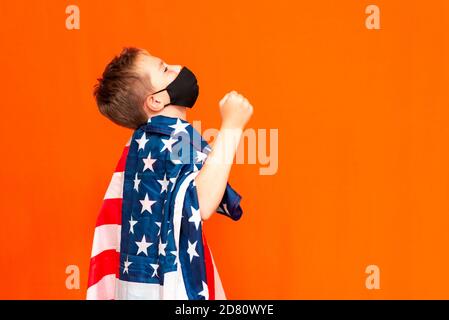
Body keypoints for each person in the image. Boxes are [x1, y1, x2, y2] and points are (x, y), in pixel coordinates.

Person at [87, 47, 253, 300]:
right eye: (165, 68)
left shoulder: (156, 141)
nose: (177, 67)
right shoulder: (158, 145)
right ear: (155, 100)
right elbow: (202, 203)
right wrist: (232, 125)